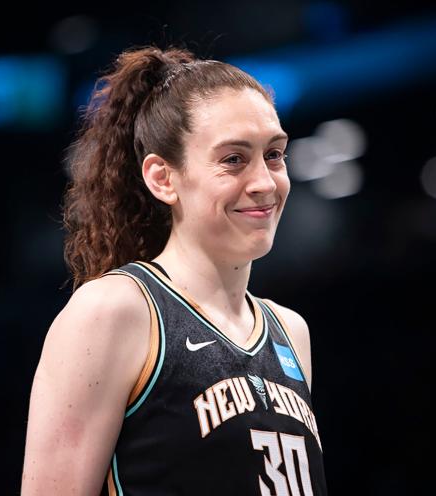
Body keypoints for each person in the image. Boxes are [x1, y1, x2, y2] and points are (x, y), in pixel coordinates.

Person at [21, 45, 327, 496]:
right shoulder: (114, 310)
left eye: (275, 154)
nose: (265, 182)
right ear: (163, 178)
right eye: (233, 159)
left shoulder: (291, 332)